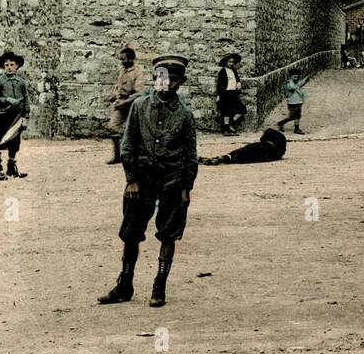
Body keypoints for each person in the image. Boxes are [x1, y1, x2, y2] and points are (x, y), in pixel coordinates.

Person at [99, 54, 198, 309]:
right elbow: (128, 144)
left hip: (172, 179)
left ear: (181, 82)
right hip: (141, 179)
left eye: (173, 80)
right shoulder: (139, 107)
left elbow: (190, 155)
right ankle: (125, 284)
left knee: (168, 233)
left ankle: (159, 285)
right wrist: (131, 179)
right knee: (131, 233)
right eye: (162, 78)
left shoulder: (185, 116)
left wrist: (186, 188)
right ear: (155, 79)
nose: (167, 84)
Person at [0, 50, 30, 180]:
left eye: (12, 64)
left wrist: (25, 116)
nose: (9, 67)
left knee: (14, 142)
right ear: (3, 67)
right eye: (6, 65)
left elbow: (25, 100)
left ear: (17, 66)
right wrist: (7, 100)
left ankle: (11, 168)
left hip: (16, 117)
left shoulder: (21, 82)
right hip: (2, 116)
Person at [105, 45, 146, 165]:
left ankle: (132, 156)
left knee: (135, 131)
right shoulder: (122, 70)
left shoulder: (138, 73)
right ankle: (118, 156)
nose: (121, 62)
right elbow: (118, 86)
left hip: (133, 105)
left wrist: (125, 101)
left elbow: (139, 93)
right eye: (120, 59)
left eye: (124, 59)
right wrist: (114, 95)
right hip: (120, 104)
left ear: (131, 59)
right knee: (112, 127)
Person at [199, 128, 287, 165]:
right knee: (241, 156)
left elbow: (260, 141)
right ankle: (222, 158)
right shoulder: (279, 146)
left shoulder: (268, 139)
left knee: (242, 152)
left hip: (265, 148)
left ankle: (221, 158)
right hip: (269, 152)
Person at [216, 52, 246, 135]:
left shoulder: (234, 70)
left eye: (232, 62)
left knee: (242, 109)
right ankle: (226, 130)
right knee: (226, 111)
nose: (231, 63)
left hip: (233, 93)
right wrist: (218, 95)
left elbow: (237, 79)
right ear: (226, 62)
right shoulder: (222, 72)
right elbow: (219, 85)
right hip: (225, 93)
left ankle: (230, 123)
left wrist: (238, 83)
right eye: (229, 62)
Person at [276, 69, 309, 135]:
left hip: (299, 102)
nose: (296, 78)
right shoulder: (289, 84)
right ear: (291, 77)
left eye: (297, 77)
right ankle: (281, 123)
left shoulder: (296, 82)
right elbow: (292, 87)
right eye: (294, 77)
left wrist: (306, 79)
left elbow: (301, 83)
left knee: (298, 116)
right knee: (293, 116)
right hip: (292, 103)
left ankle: (296, 129)